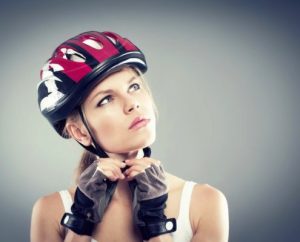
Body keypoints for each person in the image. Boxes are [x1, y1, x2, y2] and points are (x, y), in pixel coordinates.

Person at [30, 31, 229, 242]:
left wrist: (155, 220)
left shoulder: (205, 202)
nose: (132, 104)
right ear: (80, 132)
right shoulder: (50, 211)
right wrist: (81, 217)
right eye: (106, 99)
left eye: (133, 87)